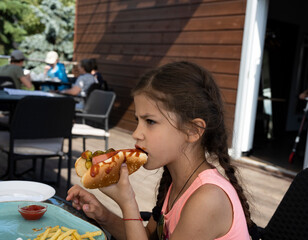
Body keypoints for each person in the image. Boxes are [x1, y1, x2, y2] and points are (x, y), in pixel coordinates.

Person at [66, 61, 252, 240]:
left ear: (193, 130)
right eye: (138, 120)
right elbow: (146, 236)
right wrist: (102, 214)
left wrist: (127, 202)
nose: (136, 134)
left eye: (150, 121)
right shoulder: (175, 182)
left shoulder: (208, 199)